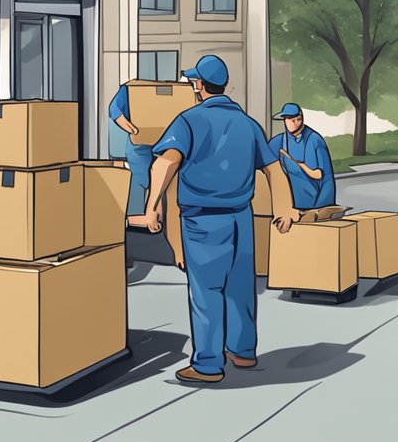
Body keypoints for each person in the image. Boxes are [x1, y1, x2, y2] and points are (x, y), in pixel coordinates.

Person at [142, 55, 298, 384]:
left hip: (203, 219)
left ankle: (207, 365)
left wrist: (152, 205)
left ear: (199, 85)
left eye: (192, 82)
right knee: (241, 286)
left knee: (207, 290)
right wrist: (284, 207)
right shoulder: (248, 124)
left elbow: (165, 164)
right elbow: (273, 169)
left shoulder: (188, 121)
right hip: (241, 216)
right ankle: (242, 352)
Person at [269, 102, 335, 211]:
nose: (296, 124)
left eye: (298, 119)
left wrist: (323, 208)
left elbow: (323, 176)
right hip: (285, 203)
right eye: (291, 120)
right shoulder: (277, 142)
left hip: (311, 203)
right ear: (284, 120)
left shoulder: (314, 140)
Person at [108, 82, 155, 216]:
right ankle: (138, 214)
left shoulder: (131, 88)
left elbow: (114, 109)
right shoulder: (130, 89)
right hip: (144, 141)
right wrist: (132, 129)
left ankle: (137, 215)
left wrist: (131, 129)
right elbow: (114, 109)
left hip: (141, 140)